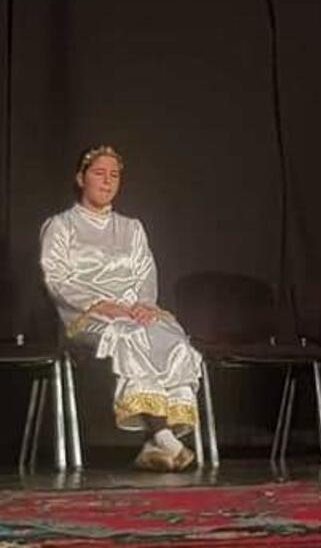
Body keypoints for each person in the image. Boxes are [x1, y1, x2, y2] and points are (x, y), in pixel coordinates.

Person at [40, 145, 203, 471]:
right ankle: (163, 436)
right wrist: (98, 304)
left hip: (132, 311)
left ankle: (156, 443)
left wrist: (144, 305)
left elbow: (146, 273)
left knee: (171, 337)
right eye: (99, 173)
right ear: (81, 178)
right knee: (130, 336)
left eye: (114, 175)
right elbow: (55, 278)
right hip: (86, 317)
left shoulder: (131, 228)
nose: (107, 181)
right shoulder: (61, 226)